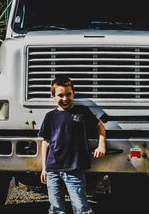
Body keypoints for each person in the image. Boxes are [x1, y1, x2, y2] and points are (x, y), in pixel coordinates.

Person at [38, 76, 106, 214]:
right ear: (53, 96)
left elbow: (100, 127)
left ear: (73, 93)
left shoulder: (82, 112)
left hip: (74, 169)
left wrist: (101, 146)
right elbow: (45, 143)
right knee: (56, 209)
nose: (65, 99)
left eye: (68, 94)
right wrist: (44, 168)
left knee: (81, 208)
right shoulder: (50, 116)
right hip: (53, 170)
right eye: (60, 95)